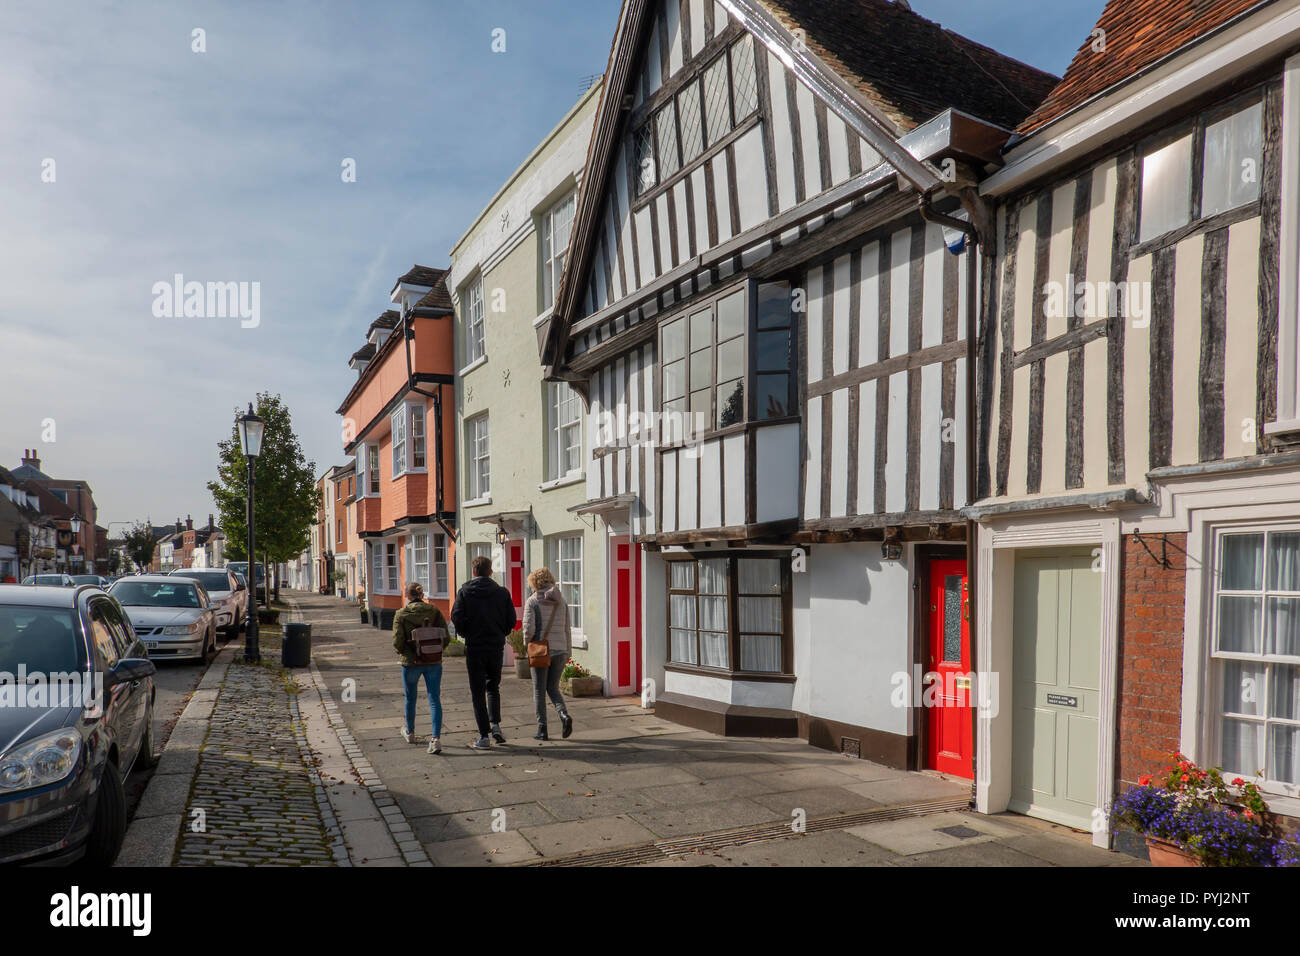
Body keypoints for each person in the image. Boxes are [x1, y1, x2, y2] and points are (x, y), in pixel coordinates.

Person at [450, 554, 516, 750]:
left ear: (474, 572)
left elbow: (456, 616)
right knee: (493, 687)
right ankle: (495, 724)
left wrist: (465, 632)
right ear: (490, 572)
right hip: (495, 646)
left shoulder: (465, 591)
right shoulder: (502, 593)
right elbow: (511, 620)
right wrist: (501, 632)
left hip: (475, 646)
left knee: (477, 691)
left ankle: (484, 735)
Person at [392, 581, 449, 754]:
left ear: (407, 595)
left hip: (411, 663)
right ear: (422, 595)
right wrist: (435, 652)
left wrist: (405, 653)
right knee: (434, 699)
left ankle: (409, 732)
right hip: (433, 662)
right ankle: (435, 739)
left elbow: (397, 641)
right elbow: (445, 637)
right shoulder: (434, 611)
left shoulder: (401, 614)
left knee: (410, 698)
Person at [522, 567, 573, 741]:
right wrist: (568, 651)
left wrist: (525, 646)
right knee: (553, 688)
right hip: (560, 649)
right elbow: (567, 628)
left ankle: (542, 729)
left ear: (534, 582)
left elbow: (529, 630)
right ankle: (564, 715)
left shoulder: (533, 601)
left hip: (540, 651)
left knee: (539, 690)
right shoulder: (562, 601)